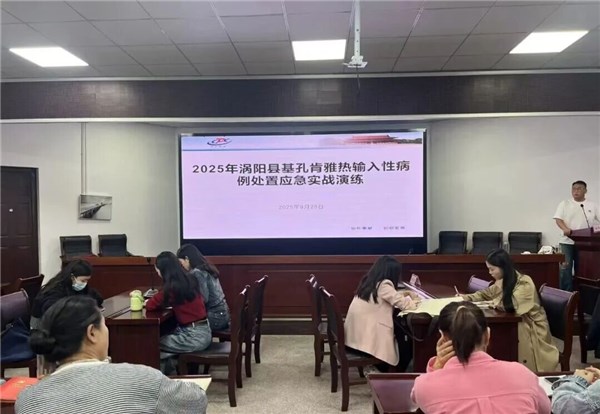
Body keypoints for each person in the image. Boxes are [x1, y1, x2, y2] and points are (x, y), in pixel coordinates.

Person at [15, 296, 207, 414]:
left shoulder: (27, 400)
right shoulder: (141, 378)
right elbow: (196, 403)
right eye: (104, 325)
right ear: (92, 333)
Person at [411, 301, 551, 414]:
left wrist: (437, 368)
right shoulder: (523, 374)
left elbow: (419, 400)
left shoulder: (425, 386)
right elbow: (546, 409)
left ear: (443, 338)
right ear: (488, 335)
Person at [461, 248, 559, 372]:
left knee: (501, 334)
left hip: (531, 326)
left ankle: (513, 367)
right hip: (517, 321)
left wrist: (494, 302)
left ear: (503, 267)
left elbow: (511, 306)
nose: (490, 272)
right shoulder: (502, 281)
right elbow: (486, 293)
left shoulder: (524, 282)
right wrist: (465, 298)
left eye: (492, 269)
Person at [344, 255, 419, 371]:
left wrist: (404, 294)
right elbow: (406, 305)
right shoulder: (384, 285)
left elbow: (389, 296)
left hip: (354, 340)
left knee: (401, 330)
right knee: (405, 340)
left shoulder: (369, 282)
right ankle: (399, 373)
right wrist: (416, 300)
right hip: (366, 345)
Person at [146, 251, 212, 361]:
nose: (157, 273)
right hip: (204, 331)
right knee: (164, 338)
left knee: (152, 343)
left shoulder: (171, 287)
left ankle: (165, 369)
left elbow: (150, 305)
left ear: (163, 271)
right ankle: (172, 367)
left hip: (193, 337)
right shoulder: (190, 279)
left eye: (157, 270)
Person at [554, 180, 600, 291]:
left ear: (585, 191)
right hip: (566, 242)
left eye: (579, 189)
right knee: (565, 270)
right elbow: (558, 219)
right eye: (574, 189)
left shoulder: (593, 205)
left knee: (583, 271)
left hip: (585, 245)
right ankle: (566, 296)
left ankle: (581, 295)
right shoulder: (564, 203)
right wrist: (565, 229)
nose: (576, 191)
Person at [30, 260, 103, 330]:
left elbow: (96, 297)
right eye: (83, 280)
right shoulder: (54, 290)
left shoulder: (76, 286)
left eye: (87, 280)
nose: (85, 283)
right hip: (42, 328)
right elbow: (54, 311)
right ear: (72, 277)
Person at [177, 244, 230, 331]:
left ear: (187, 259)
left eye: (181, 263)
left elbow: (203, 299)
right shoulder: (207, 268)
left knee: (182, 326)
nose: (182, 266)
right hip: (223, 315)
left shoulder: (198, 272)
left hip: (215, 318)